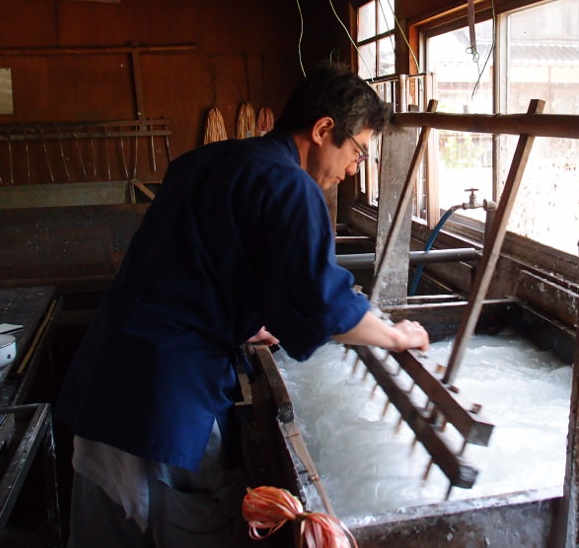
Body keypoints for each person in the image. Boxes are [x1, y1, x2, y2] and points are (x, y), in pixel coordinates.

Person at [55, 63, 430, 548]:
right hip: (168, 396)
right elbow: (324, 307)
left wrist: (239, 321)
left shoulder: (202, 162)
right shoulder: (292, 187)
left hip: (107, 379)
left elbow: (187, 267)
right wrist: (398, 335)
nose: (355, 166)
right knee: (191, 531)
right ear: (322, 131)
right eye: (357, 149)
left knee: (103, 536)